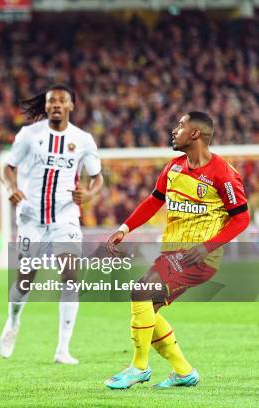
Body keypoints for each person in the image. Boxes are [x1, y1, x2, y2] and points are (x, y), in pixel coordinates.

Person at [104, 112, 250, 389]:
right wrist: (125, 228)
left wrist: (208, 246)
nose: (174, 130)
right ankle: (184, 372)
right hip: (171, 254)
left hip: (199, 257)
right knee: (147, 309)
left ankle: (138, 367)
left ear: (195, 134)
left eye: (180, 126)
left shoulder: (224, 174)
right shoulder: (174, 167)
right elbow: (153, 200)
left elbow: (241, 218)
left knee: (140, 291)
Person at [0, 84, 103, 364]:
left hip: (65, 216)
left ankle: (63, 348)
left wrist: (89, 194)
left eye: (61, 100)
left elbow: (97, 177)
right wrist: (10, 188)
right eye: (51, 101)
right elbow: (8, 168)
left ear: (71, 106)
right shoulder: (29, 135)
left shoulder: (83, 140)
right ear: (45, 107)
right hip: (31, 216)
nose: (56, 104)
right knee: (25, 278)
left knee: (70, 275)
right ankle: (13, 322)